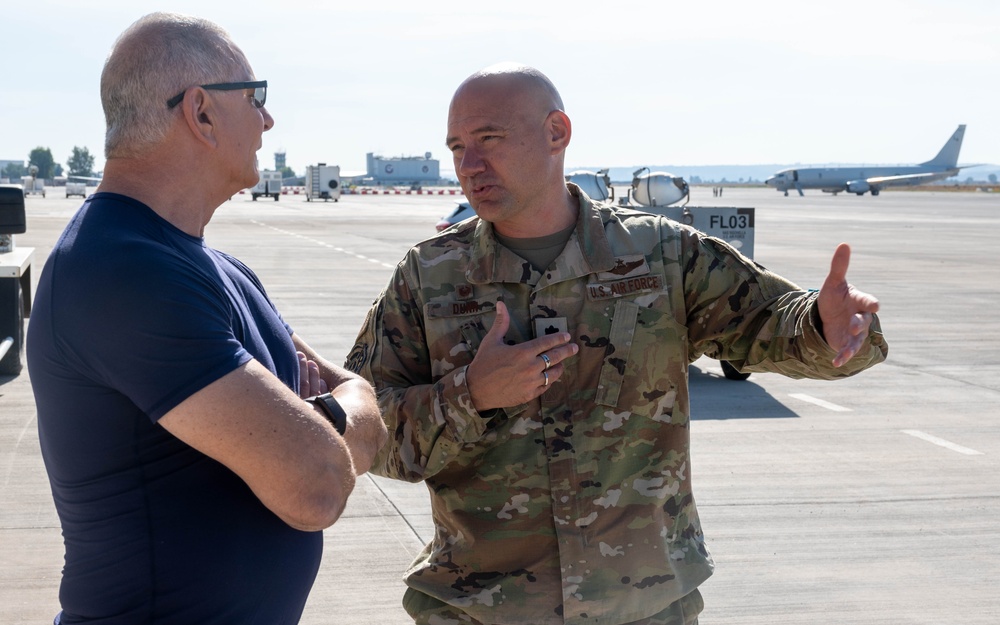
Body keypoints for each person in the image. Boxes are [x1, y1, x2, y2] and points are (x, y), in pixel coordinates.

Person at [346, 62, 887, 625]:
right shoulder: (430, 275)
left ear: (557, 132)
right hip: (481, 609)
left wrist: (829, 326)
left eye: (490, 139)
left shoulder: (660, 254)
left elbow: (772, 327)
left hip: (645, 603)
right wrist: (471, 394)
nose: (469, 165)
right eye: (458, 147)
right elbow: (361, 431)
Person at [26, 12, 387, 625]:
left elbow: (354, 408)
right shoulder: (118, 268)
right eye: (256, 96)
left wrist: (324, 416)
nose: (269, 119)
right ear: (200, 112)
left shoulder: (216, 267)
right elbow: (318, 483)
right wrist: (335, 414)